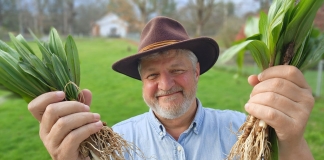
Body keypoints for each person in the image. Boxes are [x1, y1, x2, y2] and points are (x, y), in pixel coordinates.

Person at [28, 16, 315, 160]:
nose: (165, 85)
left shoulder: (242, 130)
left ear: (197, 71)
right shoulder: (116, 144)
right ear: (142, 82)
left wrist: (292, 141)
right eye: (152, 75)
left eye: (177, 70)